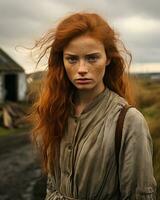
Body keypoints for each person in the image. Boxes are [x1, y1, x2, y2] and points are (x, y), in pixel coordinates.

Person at [30, 12, 157, 199]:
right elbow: (52, 184)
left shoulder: (129, 121)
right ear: (62, 61)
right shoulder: (57, 111)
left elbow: (140, 195)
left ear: (108, 58)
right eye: (72, 59)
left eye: (92, 58)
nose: (82, 69)